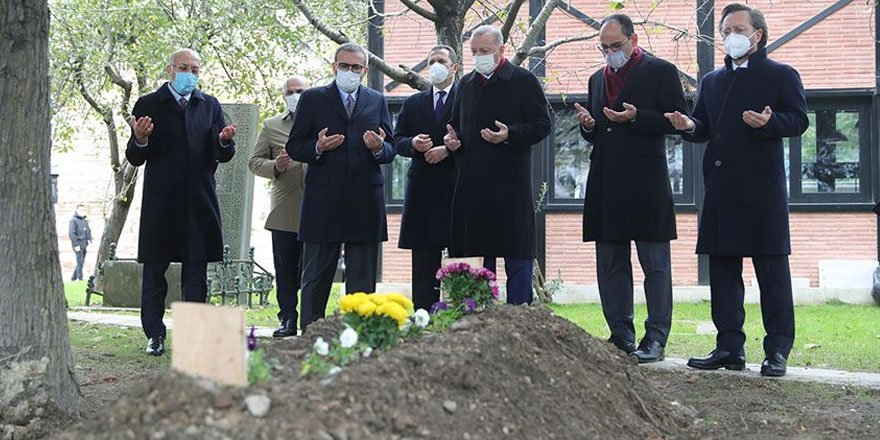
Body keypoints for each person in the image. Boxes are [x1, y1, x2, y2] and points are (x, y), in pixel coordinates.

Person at [665, 3, 808, 377]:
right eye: (725, 30)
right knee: (724, 271)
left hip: (762, 189)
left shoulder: (781, 75)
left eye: (737, 29)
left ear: (757, 35)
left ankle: (777, 350)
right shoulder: (712, 81)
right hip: (721, 187)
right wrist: (687, 124)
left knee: (772, 274)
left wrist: (770, 121)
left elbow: (799, 120)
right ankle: (729, 346)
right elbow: (705, 127)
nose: (730, 36)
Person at [575, 14, 689, 363]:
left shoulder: (661, 71)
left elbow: (679, 121)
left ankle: (655, 337)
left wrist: (638, 117)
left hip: (646, 181)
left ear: (633, 40)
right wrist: (589, 126)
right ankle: (620, 334)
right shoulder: (597, 79)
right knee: (610, 262)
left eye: (616, 46)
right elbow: (597, 129)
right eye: (604, 48)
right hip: (606, 182)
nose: (610, 53)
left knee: (654, 264)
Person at [126, 48, 238, 356]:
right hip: (161, 202)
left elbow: (223, 153)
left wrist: (225, 141)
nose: (190, 74)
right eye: (184, 67)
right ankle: (155, 335)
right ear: (170, 70)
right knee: (154, 271)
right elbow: (135, 157)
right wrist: (141, 138)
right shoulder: (149, 104)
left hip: (199, 200)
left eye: (196, 69)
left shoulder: (209, 105)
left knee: (195, 274)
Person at [287, 42, 395, 330]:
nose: (349, 71)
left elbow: (391, 149)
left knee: (361, 279)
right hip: (324, 200)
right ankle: (311, 335)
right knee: (316, 277)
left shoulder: (377, 99)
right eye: (344, 66)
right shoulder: (312, 99)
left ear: (364, 70)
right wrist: (318, 147)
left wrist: (378, 148)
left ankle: (359, 336)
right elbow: (295, 146)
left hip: (364, 200)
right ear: (334, 66)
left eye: (355, 67)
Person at [443, 25, 551, 305]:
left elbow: (542, 125)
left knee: (517, 255)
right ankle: (479, 318)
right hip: (472, 186)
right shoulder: (465, 84)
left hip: (510, 186)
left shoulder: (523, 81)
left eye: (485, 51)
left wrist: (510, 134)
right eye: (475, 52)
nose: (479, 57)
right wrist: (452, 141)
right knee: (478, 258)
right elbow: (455, 125)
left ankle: (520, 315)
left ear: (501, 50)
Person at [394, 45, 460, 311]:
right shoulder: (413, 103)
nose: (435, 65)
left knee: (461, 259)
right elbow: (397, 141)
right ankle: (424, 315)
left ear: (454, 67)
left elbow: (477, 138)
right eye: (431, 61)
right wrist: (413, 144)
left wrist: (448, 150)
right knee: (423, 262)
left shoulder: (467, 98)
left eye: (441, 60)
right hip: (422, 190)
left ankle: (461, 316)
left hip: (457, 187)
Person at [248, 75, 310, 337]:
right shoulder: (272, 126)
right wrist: (276, 166)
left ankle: (312, 320)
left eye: (300, 91)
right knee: (285, 268)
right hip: (284, 209)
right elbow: (253, 162)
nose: (295, 95)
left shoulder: (323, 122)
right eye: (290, 91)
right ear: (283, 95)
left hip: (318, 207)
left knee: (313, 268)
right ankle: (287, 318)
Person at [68, 204, 92, 281]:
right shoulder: (73, 220)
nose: (82, 211)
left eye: (83, 210)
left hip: (84, 244)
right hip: (78, 244)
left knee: (81, 262)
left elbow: (88, 230)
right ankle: (80, 278)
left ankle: (73, 278)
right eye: (80, 210)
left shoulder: (85, 220)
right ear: (77, 210)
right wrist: (75, 245)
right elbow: (72, 233)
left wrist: (89, 239)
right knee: (80, 261)